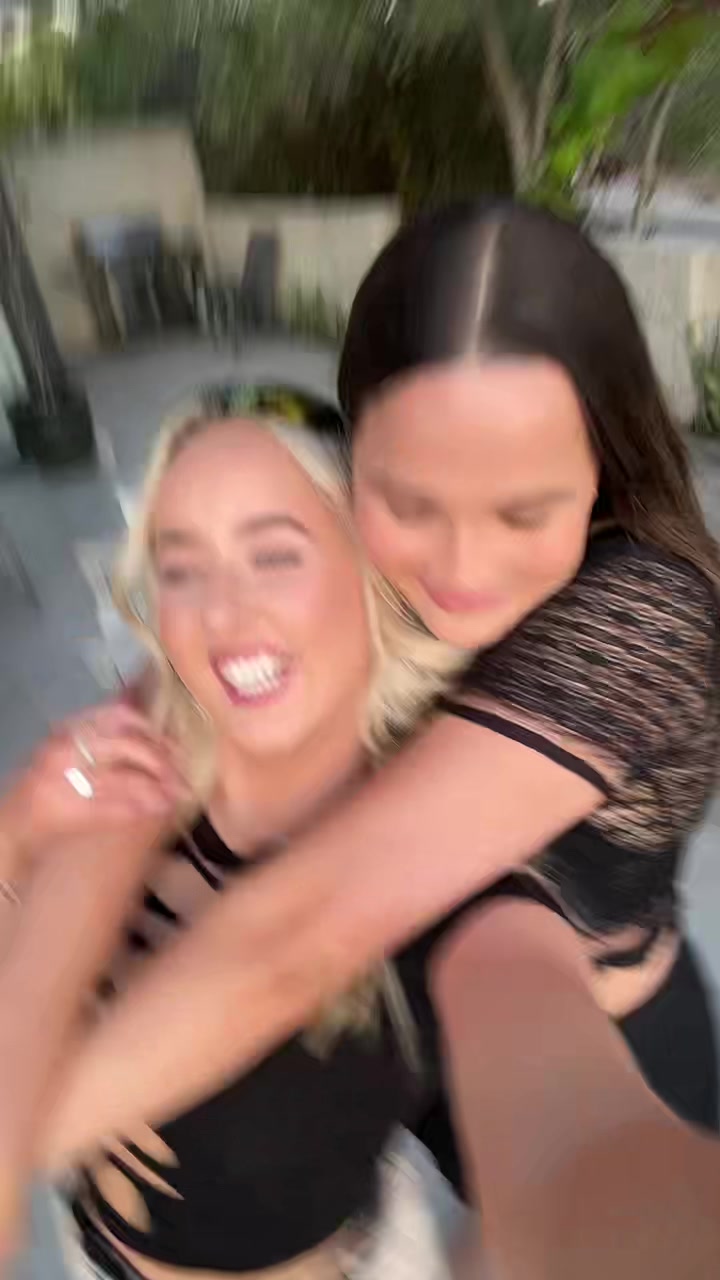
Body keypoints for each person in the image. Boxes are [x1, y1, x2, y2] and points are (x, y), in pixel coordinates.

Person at [2, 199, 720, 1213]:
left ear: (605, 467)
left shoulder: (644, 615)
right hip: (414, 1043)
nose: (460, 568)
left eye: (526, 509)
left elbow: (307, 930)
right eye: (408, 501)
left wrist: (33, 1128)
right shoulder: (341, 546)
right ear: (354, 463)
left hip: (603, 1060)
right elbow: (151, 731)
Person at [4, 395, 474, 1280]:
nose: (221, 612)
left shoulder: (435, 853)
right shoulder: (144, 749)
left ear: (376, 574)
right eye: (181, 569)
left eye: (274, 555)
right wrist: (21, 825)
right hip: (92, 1254)